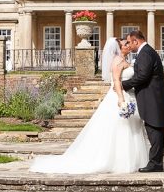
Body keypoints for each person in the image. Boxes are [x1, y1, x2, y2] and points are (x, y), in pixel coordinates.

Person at [29, 37, 149, 174]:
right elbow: (116, 80)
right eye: (125, 44)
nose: (128, 45)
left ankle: (132, 160)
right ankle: (121, 162)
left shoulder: (123, 60)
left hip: (128, 95)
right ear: (119, 48)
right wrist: (121, 100)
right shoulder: (118, 60)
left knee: (128, 128)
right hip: (119, 96)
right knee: (121, 128)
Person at [119, 30, 164, 172]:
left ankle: (155, 164)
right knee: (153, 130)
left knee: (154, 130)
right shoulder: (146, 52)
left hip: (153, 98)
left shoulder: (145, 53)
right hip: (152, 97)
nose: (129, 46)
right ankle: (155, 162)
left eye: (130, 42)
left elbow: (143, 76)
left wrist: (124, 85)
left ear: (136, 41)